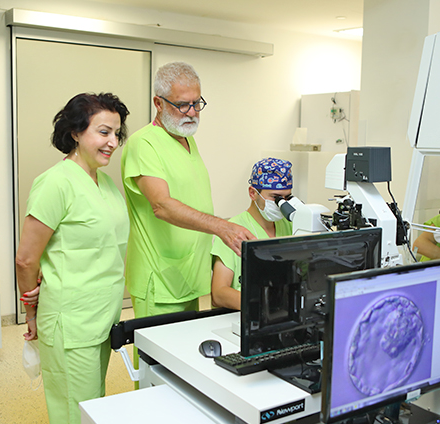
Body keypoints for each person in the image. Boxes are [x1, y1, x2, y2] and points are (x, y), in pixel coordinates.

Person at [15, 93, 130, 423]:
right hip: (71, 321)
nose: (112, 142)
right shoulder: (55, 183)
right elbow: (26, 259)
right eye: (103, 132)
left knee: (93, 404)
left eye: (116, 134)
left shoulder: (105, 183)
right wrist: (31, 313)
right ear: (76, 133)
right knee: (74, 411)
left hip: (102, 316)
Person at [121, 61, 255, 319]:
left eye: (196, 103)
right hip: (160, 280)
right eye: (182, 105)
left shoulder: (187, 139)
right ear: (158, 103)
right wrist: (221, 227)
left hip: (188, 276)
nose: (192, 112)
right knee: (155, 346)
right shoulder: (144, 143)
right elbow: (162, 205)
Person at [211, 158, 294, 310]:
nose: (281, 204)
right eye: (275, 197)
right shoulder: (232, 231)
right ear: (252, 193)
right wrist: (264, 306)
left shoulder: (290, 225)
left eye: (286, 198)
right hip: (245, 313)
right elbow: (219, 294)